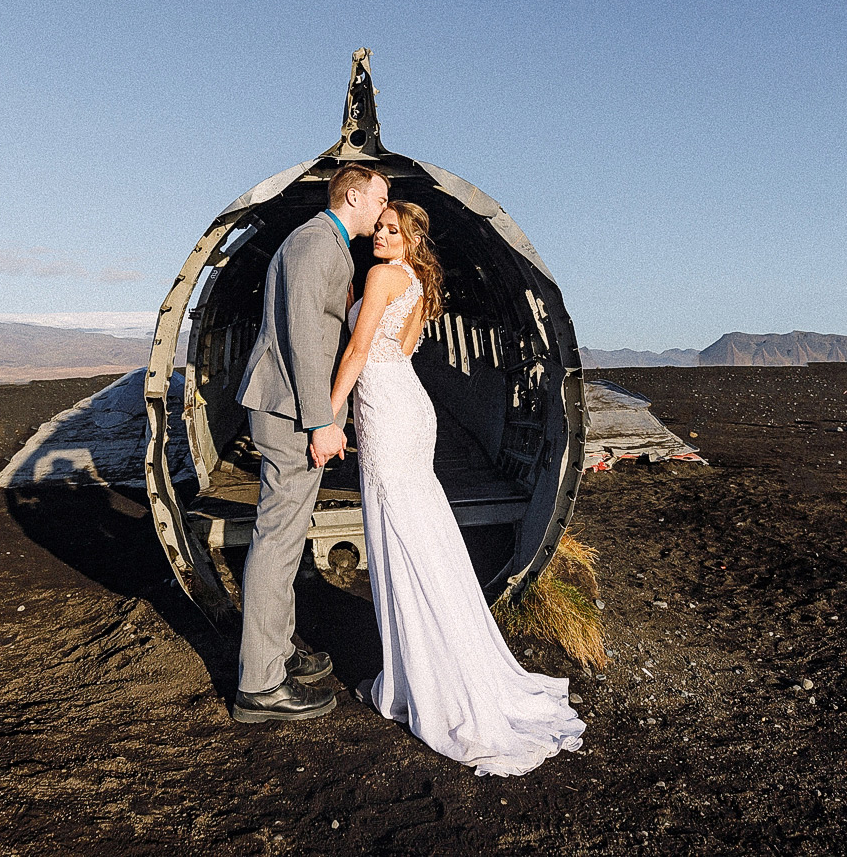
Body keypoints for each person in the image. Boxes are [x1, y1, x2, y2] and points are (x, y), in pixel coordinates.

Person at [330, 201, 586, 776]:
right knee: (420, 531)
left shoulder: (381, 276)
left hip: (386, 409)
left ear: (411, 238)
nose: (381, 237)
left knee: (402, 533)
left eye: (394, 232)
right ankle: (432, 663)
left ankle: (423, 676)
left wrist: (329, 414)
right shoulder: (417, 282)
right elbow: (397, 352)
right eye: (380, 228)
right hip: (405, 402)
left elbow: (358, 350)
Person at [229, 164, 389, 723]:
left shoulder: (326, 246)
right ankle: (261, 683)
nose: (382, 209)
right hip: (290, 412)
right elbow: (302, 334)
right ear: (351, 194)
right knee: (276, 540)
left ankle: (278, 647)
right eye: (379, 198)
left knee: (288, 535)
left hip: (295, 409)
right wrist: (322, 421)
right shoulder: (316, 244)